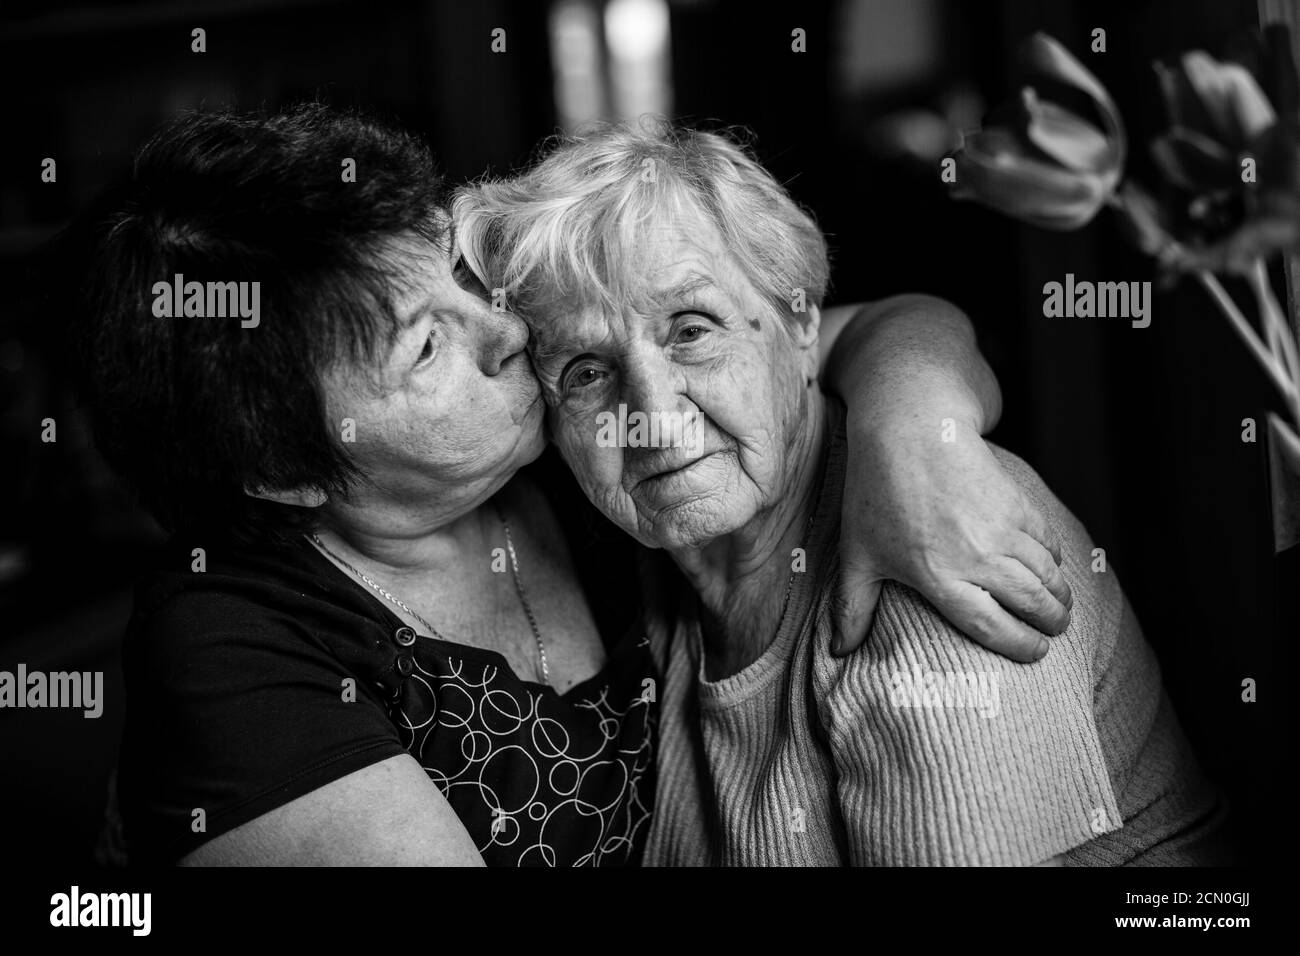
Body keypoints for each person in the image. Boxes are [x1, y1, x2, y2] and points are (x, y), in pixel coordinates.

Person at [69, 104, 1065, 866]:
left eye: (460, 284)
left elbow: (849, 331)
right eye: (429, 347)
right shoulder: (229, 643)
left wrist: (916, 440)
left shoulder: (571, 430)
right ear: (286, 470)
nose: (510, 335)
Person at [455, 121, 1230, 865]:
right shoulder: (658, 572)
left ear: (802, 332)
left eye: (691, 330)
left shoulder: (930, 569)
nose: (653, 420)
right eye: (587, 373)